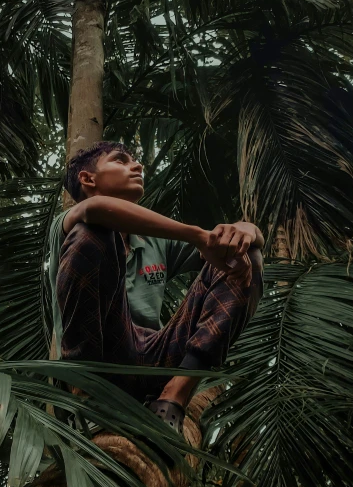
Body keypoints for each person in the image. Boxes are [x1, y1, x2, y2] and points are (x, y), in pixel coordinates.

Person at [48, 141, 264, 433]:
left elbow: (248, 238)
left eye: (135, 161)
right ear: (88, 179)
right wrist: (198, 235)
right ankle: (88, 399)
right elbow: (96, 210)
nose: (137, 166)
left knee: (244, 258)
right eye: (121, 161)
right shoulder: (65, 225)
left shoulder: (155, 243)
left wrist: (243, 232)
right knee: (91, 234)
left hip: (154, 361)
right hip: (94, 362)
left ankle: (173, 398)